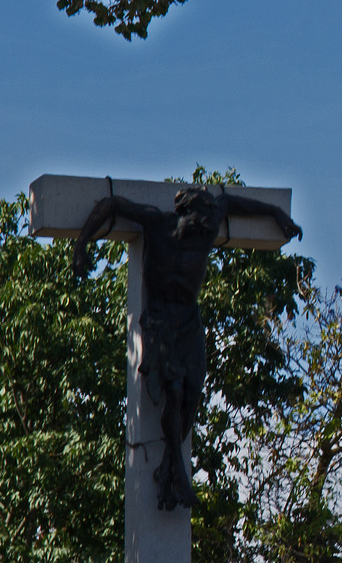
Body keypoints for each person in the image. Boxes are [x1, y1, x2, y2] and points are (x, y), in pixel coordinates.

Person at [72, 183, 301, 509]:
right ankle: (177, 469)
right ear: (187, 213)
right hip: (160, 324)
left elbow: (231, 201)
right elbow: (111, 204)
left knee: (193, 392)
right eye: (203, 219)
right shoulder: (156, 223)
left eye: (211, 221)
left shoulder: (205, 229)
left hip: (189, 324)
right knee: (175, 392)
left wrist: (276, 212)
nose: (209, 227)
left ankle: (171, 464)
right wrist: (81, 245)